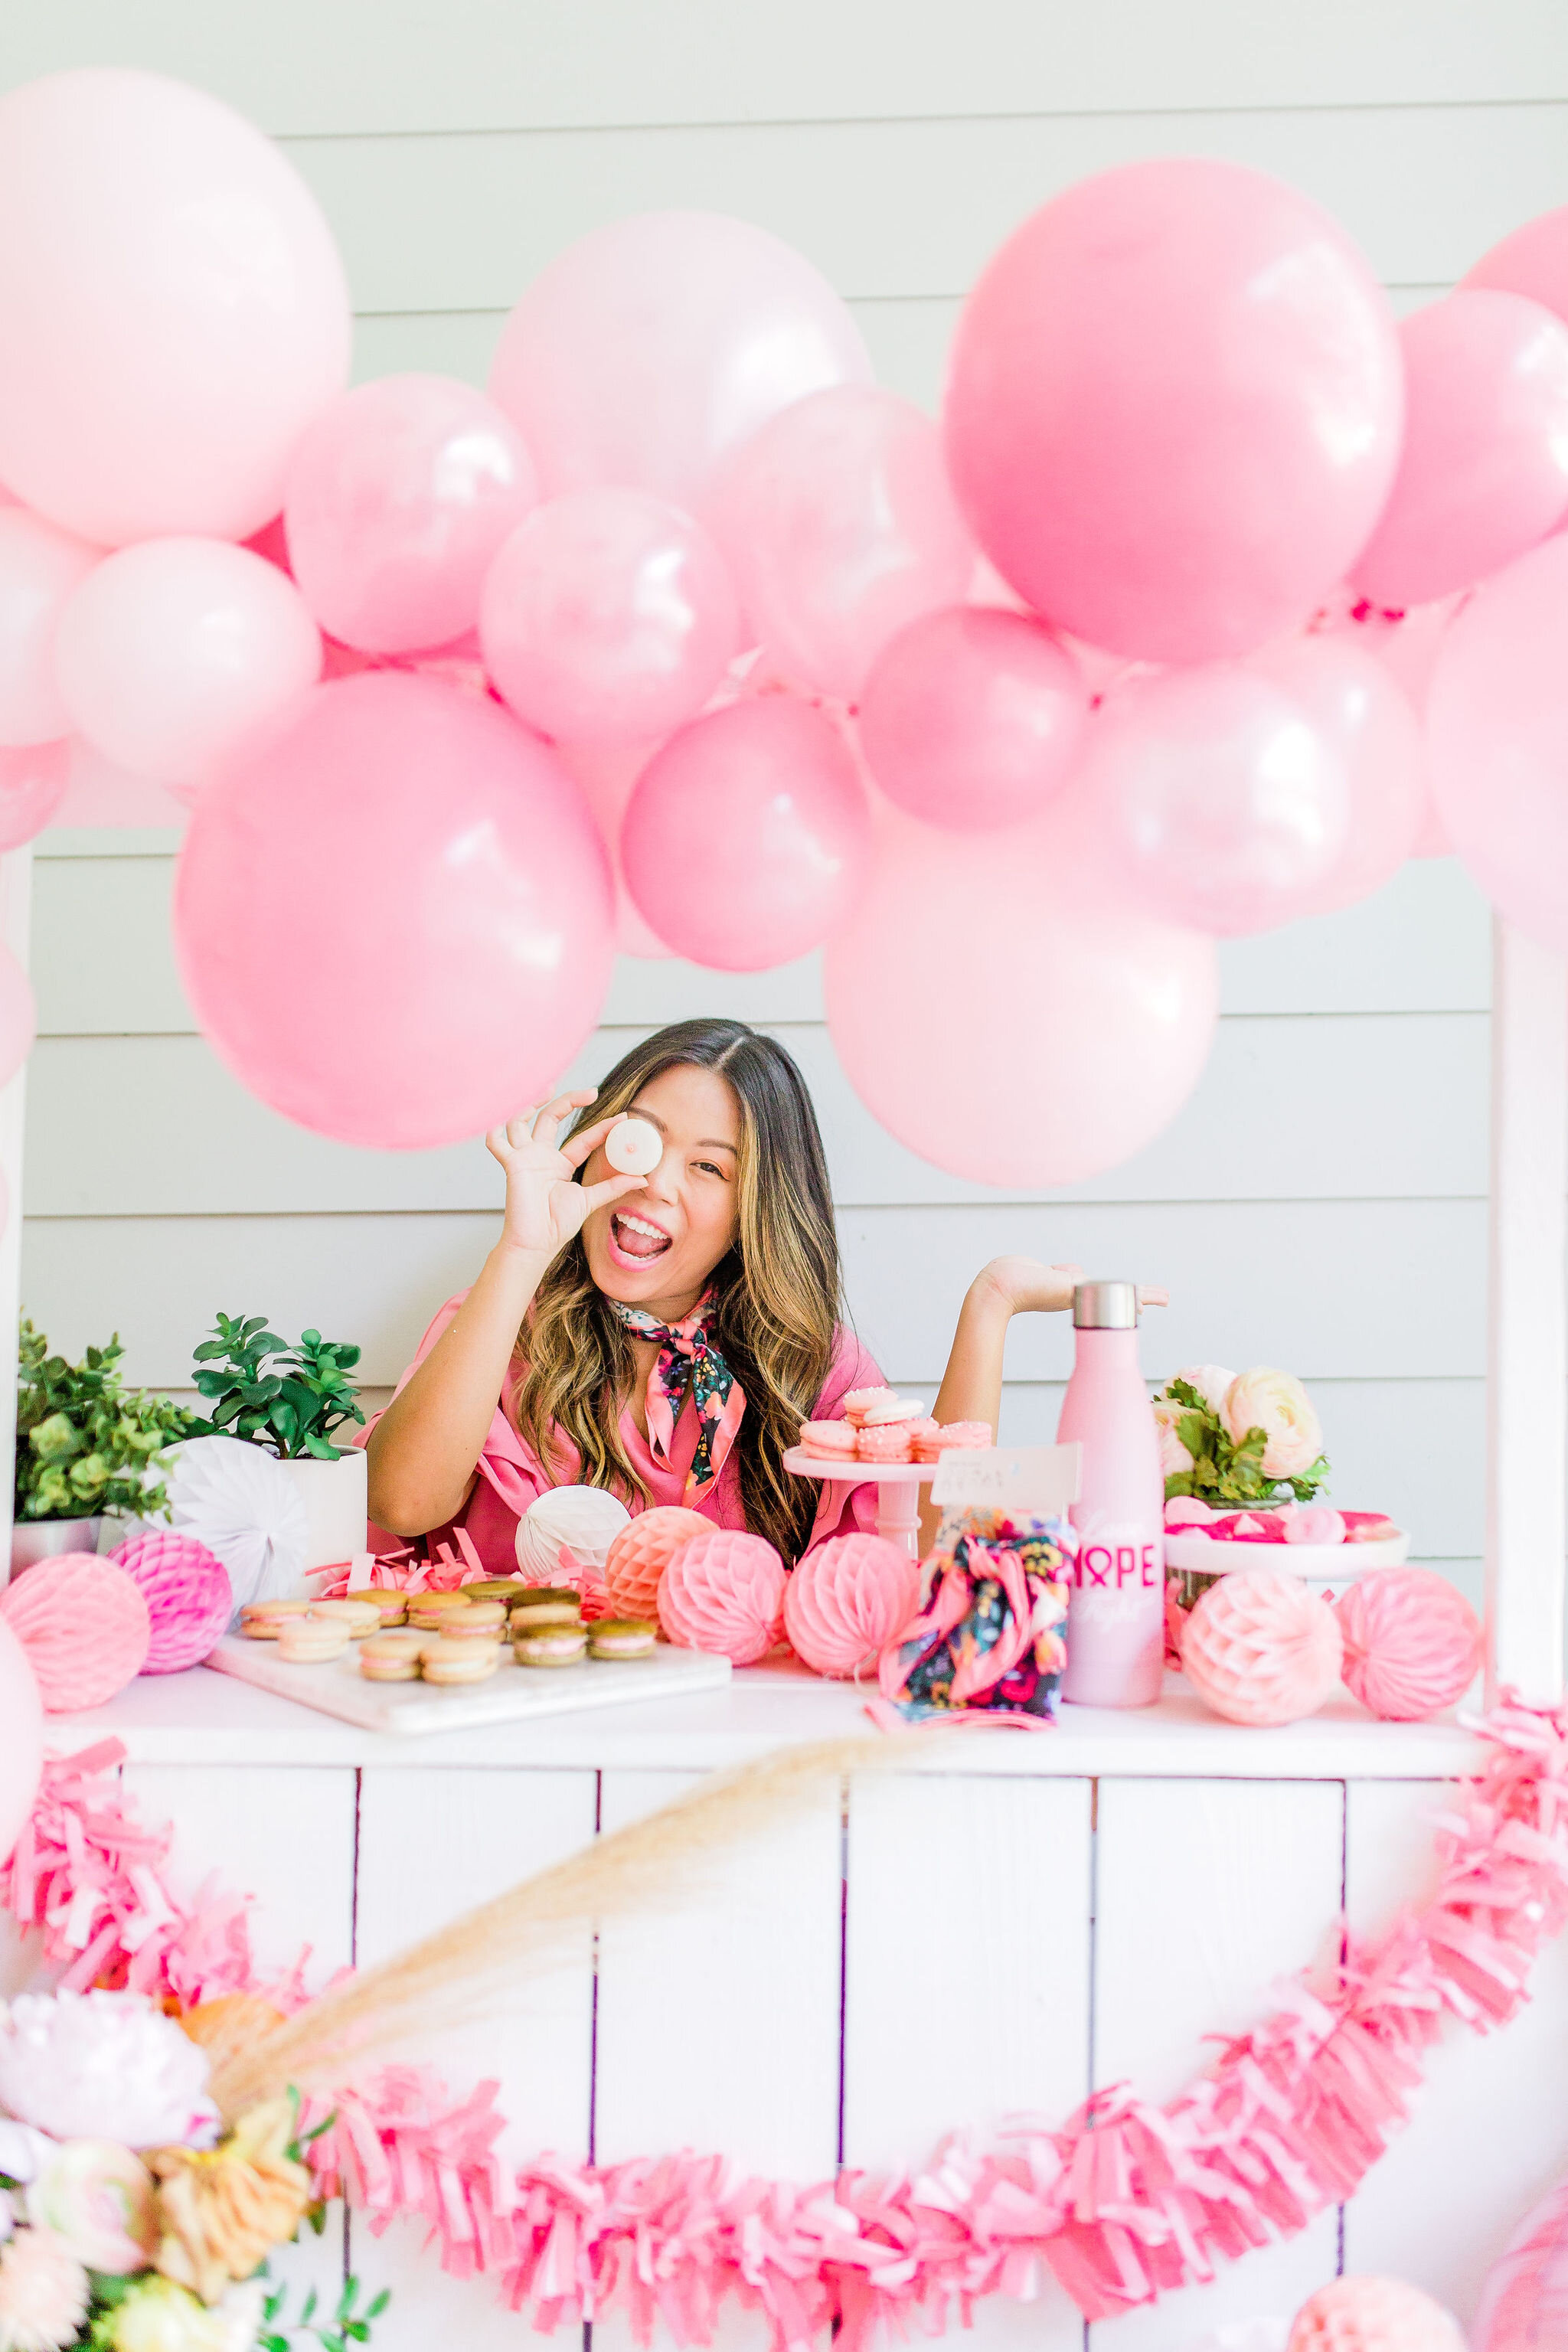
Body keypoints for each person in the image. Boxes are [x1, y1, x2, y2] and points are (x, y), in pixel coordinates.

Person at [366, 1017, 1080, 1570]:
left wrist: (991, 1306)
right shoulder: (497, 1328)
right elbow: (401, 1502)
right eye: (644, 1139)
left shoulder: (807, 1365)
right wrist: (522, 1252)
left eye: (709, 1167)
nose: (656, 1183)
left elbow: (931, 1542)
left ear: (752, 1214)